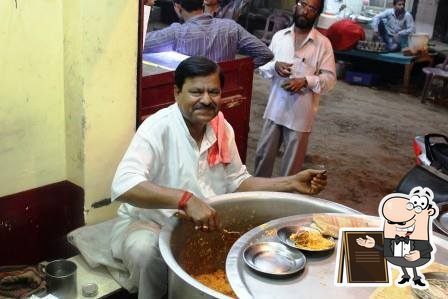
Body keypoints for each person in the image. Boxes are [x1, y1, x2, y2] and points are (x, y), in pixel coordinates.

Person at [110, 56, 327, 298]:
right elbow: (124, 185)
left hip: (198, 225)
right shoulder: (158, 128)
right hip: (151, 224)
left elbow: (238, 182)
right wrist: (185, 199)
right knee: (145, 252)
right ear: (176, 92)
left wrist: (291, 182)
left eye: (214, 92)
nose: (206, 100)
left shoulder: (222, 129)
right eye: (196, 92)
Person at [254, 0, 336, 177]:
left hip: (300, 117)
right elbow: (262, 67)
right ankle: (258, 197)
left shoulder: (323, 44)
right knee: (262, 159)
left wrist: (306, 81)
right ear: (295, 6)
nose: (305, 11)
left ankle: (286, 203)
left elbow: (329, 80)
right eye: (302, 4)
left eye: (312, 9)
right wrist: (275, 66)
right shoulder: (279, 37)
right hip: (274, 111)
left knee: (291, 171)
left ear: (317, 14)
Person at [144, 0, 273, 68]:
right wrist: (236, 72)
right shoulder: (231, 27)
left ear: (177, 7)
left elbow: (138, 43)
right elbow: (265, 53)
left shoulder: (177, 33)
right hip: (223, 93)